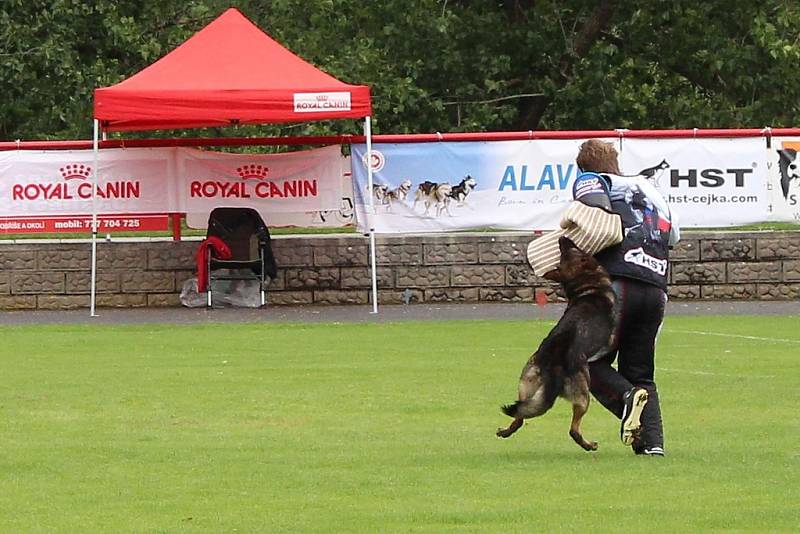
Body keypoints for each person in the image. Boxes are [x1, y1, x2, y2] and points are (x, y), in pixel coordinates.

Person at [569, 139, 680, 456]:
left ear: (584, 168)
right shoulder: (650, 188)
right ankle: (651, 445)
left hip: (618, 282)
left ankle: (628, 400)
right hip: (656, 287)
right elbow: (674, 236)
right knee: (641, 372)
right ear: (616, 161)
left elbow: (596, 208)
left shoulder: (593, 179)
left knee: (583, 360)